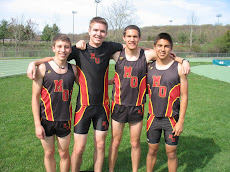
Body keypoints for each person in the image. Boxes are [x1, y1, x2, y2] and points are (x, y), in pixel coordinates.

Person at [28, 17, 124, 172]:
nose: (98, 34)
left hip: (103, 107)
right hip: (83, 108)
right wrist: (35, 62)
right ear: (89, 31)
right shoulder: (78, 50)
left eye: (102, 31)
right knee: (78, 148)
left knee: (100, 145)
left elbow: (131, 47)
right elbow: (57, 57)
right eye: (95, 30)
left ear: (106, 33)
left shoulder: (109, 47)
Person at [107, 26, 190, 172]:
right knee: (115, 142)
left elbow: (165, 54)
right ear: (124, 38)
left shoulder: (146, 55)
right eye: (129, 36)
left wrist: (183, 60)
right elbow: (96, 53)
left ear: (139, 38)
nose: (132, 39)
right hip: (118, 105)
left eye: (135, 36)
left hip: (137, 106)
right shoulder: (116, 54)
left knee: (135, 143)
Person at [31, 34, 78, 172]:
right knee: (49, 153)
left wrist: (111, 82)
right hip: (46, 119)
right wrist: (37, 124)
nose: (62, 50)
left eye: (66, 47)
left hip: (65, 119)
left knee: (64, 153)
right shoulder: (43, 68)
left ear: (70, 50)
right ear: (53, 48)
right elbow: (34, 98)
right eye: (59, 46)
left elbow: (89, 84)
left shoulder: (73, 69)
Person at [146, 33, 188, 172]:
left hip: (171, 119)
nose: (162, 49)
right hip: (152, 118)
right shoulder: (148, 67)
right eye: (159, 45)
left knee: (171, 153)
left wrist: (181, 121)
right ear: (154, 47)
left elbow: (184, 95)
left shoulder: (179, 68)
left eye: (166, 46)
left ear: (171, 48)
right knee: (152, 151)